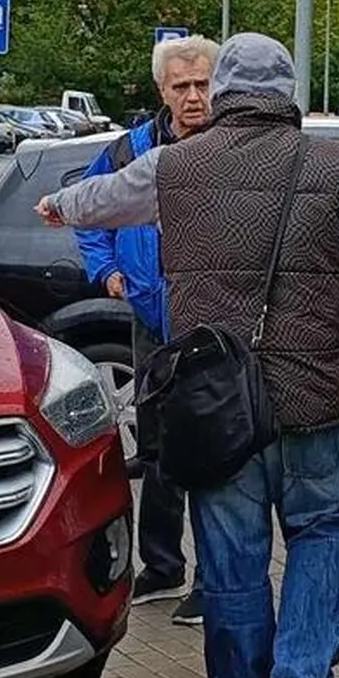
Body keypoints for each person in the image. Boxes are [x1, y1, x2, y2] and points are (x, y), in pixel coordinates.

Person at [39, 34, 339, 678]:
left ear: (220, 92)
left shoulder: (175, 165)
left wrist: (57, 204)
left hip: (217, 404)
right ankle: (303, 670)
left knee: (231, 562)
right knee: (321, 529)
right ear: (288, 91)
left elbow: (101, 201)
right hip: (312, 395)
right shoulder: (332, 165)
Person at [75, 35, 218, 629]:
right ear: (162, 89)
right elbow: (88, 208)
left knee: (212, 454)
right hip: (151, 322)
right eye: (182, 86)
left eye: (203, 84)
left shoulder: (229, 147)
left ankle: (214, 581)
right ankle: (162, 566)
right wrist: (106, 268)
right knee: (157, 449)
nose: (194, 96)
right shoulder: (130, 149)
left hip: (213, 329)